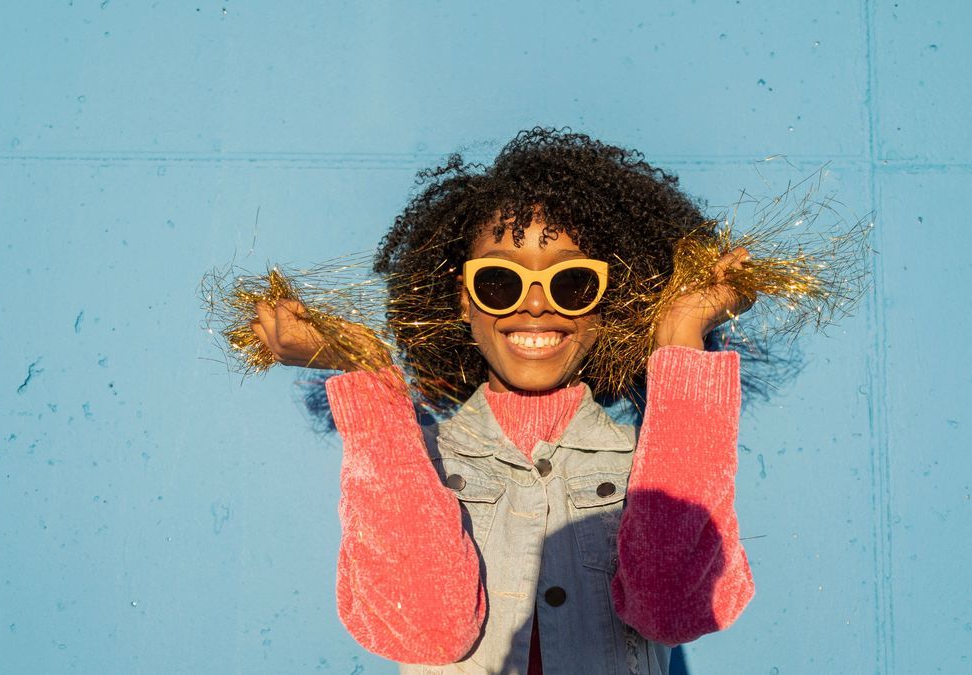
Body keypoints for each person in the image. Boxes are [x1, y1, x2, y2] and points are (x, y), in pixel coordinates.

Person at [250, 128, 756, 674]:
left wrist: (681, 334)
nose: (536, 303)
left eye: (572, 284)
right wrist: (366, 373)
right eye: (499, 282)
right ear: (464, 302)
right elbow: (429, 629)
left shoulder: (653, 468)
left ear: (607, 304)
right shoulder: (414, 465)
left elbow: (672, 608)